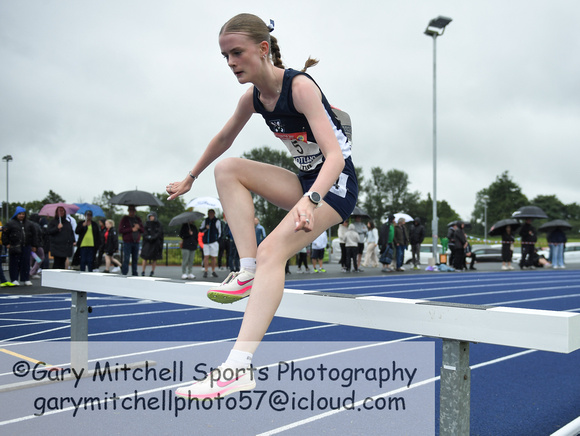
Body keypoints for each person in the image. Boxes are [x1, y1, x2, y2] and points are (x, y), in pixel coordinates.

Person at [165, 13, 357, 399]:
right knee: (228, 169)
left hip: (334, 187)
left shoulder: (299, 87)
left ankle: (238, 368)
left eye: (237, 52)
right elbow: (224, 138)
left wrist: (311, 199)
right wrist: (191, 175)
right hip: (304, 182)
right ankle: (247, 270)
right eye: (225, 56)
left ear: (263, 48)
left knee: (274, 250)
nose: (232, 62)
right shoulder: (253, 98)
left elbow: (335, 157)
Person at [2, 206, 38, 286]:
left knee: (26, 263)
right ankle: (14, 279)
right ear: (16, 214)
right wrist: (7, 243)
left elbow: (34, 235)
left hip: (26, 246)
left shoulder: (29, 224)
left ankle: (25, 279)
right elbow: (4, 234)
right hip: (14, 246)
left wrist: (34, 245)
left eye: (23, 214)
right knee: (14, 263)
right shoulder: (10, 223)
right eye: (20, 214)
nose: (21, 215)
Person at [119, 205, 144, 276]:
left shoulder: (138, 219)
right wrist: (131, 229)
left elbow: (143, 230)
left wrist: (138, 228)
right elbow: (120, 230)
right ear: (128, 211)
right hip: (127, 242)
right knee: (126, 258)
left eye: (133, 211)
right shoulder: (125, 219)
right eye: (130, 211)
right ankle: (124, 272)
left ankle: (134, 272)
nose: (132, 212)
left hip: (136, 242)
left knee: (135, 258)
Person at [140, 212, 164, 276]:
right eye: (150, 216)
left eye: (152, 216)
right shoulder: (146, 224)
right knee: (145, 257)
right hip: (147, 243)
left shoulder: (158, 224)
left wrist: (153, 237)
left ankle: (152, 271)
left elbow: (159, 233)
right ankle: (143, 271)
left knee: (154, 258)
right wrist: (148, 237)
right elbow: (144, 232)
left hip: (155, 243)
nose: (151, 218)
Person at [199, 209, 221, 278]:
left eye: (211, 213)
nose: (210, 214)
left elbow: (220, 232)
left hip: (213, 241)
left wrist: (217, 239)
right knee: (206, 256)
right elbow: (201, 229)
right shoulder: (205, 221)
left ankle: (213, 270)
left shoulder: (217, 221)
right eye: (209, 213)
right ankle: (206, 270)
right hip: (206, 242)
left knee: (213, 257)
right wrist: (206, 228)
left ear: (214, 214)